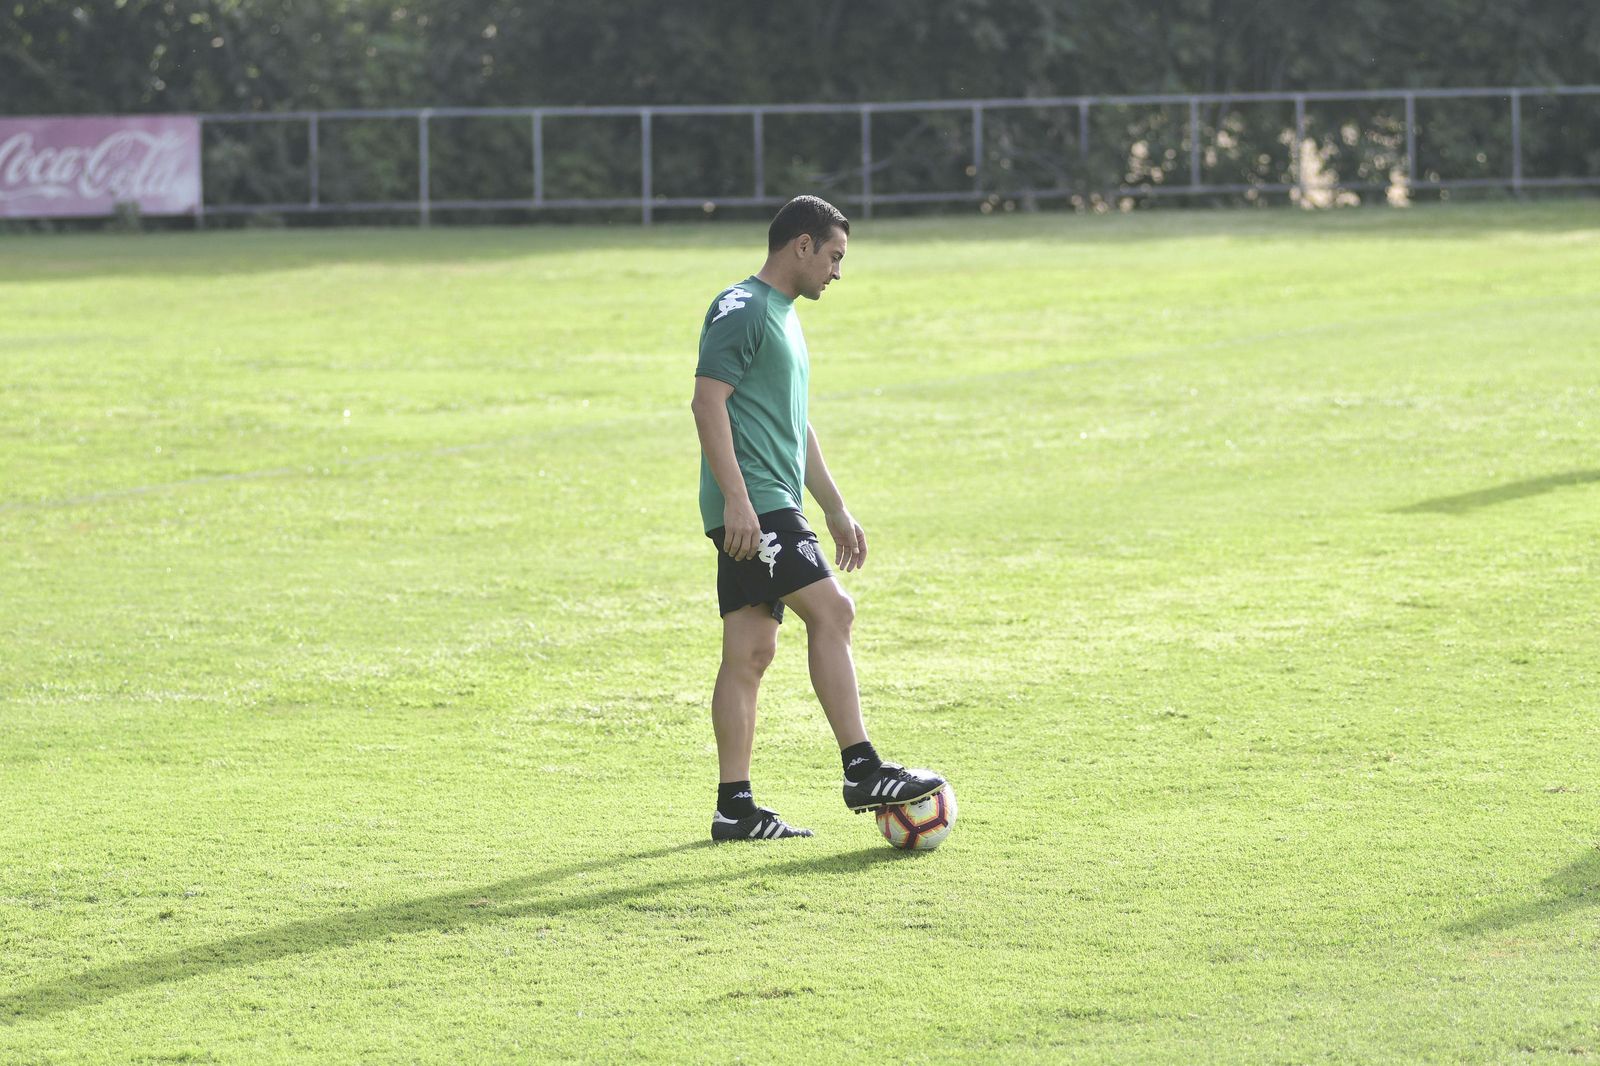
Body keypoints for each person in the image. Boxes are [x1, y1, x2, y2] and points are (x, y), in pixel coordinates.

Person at [690, 194, 946, 843]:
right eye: (834, 256)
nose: (837, 271)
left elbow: (794, 423)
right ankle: (862, 769)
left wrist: (834, 505)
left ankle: (734, 808)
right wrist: (740, 502)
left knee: (750, 651)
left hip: (776, 501)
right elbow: (706, 404)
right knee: (835, 612)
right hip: (759, 506)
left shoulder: (784, 317)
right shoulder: (743, 308)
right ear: (801, 245)